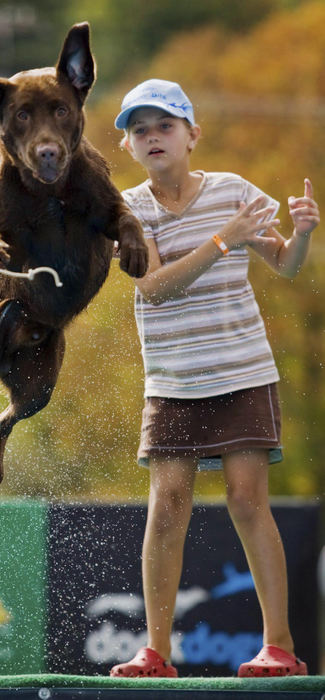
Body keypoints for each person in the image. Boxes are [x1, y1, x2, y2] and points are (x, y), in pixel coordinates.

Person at [109, 79, 320, 678]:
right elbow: (152, 286)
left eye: (164, 125)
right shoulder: (127, 210)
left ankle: (279, 645)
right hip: (171, 380)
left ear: (192, 135)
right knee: (168, 504)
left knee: (247, 501)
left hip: (242, 369)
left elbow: (284, 265)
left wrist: (302, 233)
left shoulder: (233, 191)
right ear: (127, 145)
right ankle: (156, 652)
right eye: (139, 129)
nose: (152, 137)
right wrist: (223, 241)